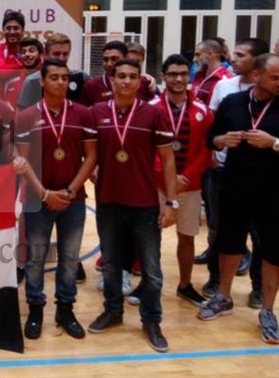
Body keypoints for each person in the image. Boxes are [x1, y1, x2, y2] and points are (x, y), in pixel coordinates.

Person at [87, 58, 178, 353]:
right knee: (111, 264)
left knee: (151, 269)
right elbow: (88, 153)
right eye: (121, 76)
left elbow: (167, 160)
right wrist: (92, 169)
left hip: (145, 204)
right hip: (109, 201)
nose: (126, 81)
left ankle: (151, 320)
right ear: (112, 80)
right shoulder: (97, 112)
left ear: (140, 81)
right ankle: (113, 310)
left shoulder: (153, 113)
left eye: (132, 76)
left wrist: (171, 201)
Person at [198, 53, 279, 346]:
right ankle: (223, 296)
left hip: (274, 192)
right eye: (275, 77)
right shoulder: (233, 102)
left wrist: (274, 143)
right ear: (256, 76)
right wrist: (221, 141)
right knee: (229, 244)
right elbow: (211, 136)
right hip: (234, 186)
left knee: (272, 252)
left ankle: (268, 310)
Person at [16, 59, 97, 340]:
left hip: (74, 199)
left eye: (64, 77)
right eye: (54, 77)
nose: (61, 82)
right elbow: (23, 161)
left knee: (70, 259)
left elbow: (92, 156)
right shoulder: (27, 116)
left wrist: (71, 191)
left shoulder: (83, 113)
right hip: (37, 200)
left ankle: (65, 309)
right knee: (35, 258)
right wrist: (44, 194)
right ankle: (35, 309)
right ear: (42, 81)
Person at [147, 54, 213, 307]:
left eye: (183, 74)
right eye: (173, 74)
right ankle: (148, 285)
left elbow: (205, 150)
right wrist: (168, 177)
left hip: (189, 184)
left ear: (189, 76)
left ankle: (185, 285)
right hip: (156, 185)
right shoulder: (151, 108)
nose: (178, 79)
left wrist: (187, 177)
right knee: (150, 238)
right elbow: (146, 149)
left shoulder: (202, 110)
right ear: (163, 76)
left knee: (187, 237)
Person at [16, 32, 89, 109]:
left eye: (65, 54)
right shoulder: (32, 81)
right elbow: (21, 113)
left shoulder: (81, 77)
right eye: (56, 54)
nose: (61, 58)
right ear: (46, 55)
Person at [80, 41, 155, 107]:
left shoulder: (145, 82)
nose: (109, 64)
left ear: (126, 58)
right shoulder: (92, 85)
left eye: (114, 59)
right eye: (105, 59)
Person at [0, 37, 43, 111]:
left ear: (41, 55)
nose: (27, 54)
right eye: (23, 52)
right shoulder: (10, 79)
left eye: (31, 51)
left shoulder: (48, 78)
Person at [0, 10, 26, 104]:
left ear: (22, 30)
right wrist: (23, 65)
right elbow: (1, 72)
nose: (12, 32)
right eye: (8, 28)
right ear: (3, 30)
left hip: (26, 101)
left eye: (16, 28)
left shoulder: (29, 50)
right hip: (1, 102)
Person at [191, 39, 233, 105]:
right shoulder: (199, 74)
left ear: (210, 55)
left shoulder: (224, 79)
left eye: (198, 55)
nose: (194, 59)